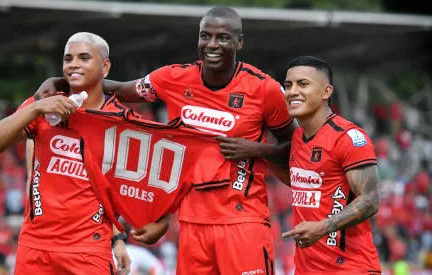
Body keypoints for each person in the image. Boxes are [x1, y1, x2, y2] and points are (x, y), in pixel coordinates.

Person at [36, 7, 298, 274]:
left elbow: (297, 145)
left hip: (243, 220)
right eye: (205, 36)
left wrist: (256, 149)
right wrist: (63, 80)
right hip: (191, 223)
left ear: (239, 42)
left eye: (223, 38)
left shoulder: (264, 89)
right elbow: (117, 88)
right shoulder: (174, 78)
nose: (212, 45)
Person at [0, 32, 131, 275]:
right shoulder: (45, 103)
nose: (74, 64)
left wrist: (118, 239)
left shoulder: (121, 121)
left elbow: (113, 188)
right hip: (35, 245)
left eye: (84, 58)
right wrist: (36, 107)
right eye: (68, 58)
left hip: (88, 250)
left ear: (105, 66)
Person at [281, 56, 381, 274]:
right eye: (288, 85)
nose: (292, 91)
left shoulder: (348, 137)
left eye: (303, 84)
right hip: (306, 268)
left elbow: (371, 201)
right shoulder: (298, 137)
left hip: (350, 268)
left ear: (326, 92)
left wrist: (323, 227)